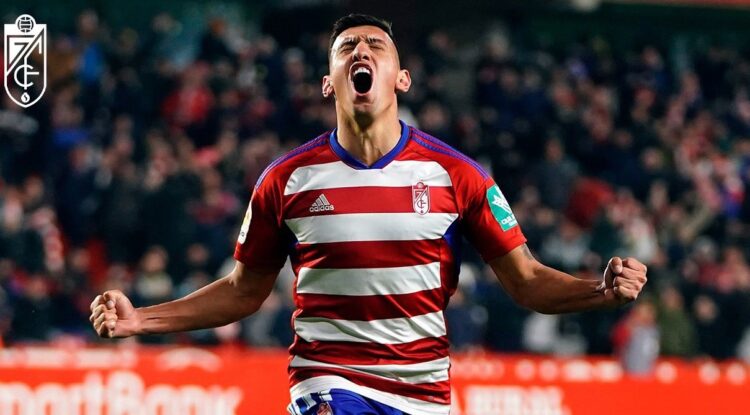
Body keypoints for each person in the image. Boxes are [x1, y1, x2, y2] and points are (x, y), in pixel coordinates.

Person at [90, 14, 648, 415]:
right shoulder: (285, 180)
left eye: (377, 45)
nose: (362, 51)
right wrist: (142, 320)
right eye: (347, 47)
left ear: (401, 78)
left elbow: (526, 281)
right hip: (328, 384)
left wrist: (599, 292)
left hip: (424, 395)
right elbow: (242, 290)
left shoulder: (458, 176)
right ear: (328, 82)